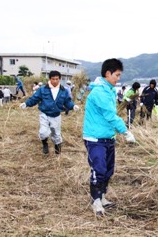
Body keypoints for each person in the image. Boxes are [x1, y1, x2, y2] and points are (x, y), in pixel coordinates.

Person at [82, 58, 136, 215]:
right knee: (98, 169)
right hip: (95, 138)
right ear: (107, 73)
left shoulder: (109, 90)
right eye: (117, 75)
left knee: (108, 170)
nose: (118, 79)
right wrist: (125, 131)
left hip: (108, 137)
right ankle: (96, 201)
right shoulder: (100, 92)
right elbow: (111, 116)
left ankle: (103, 197)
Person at [19, 71, 79, 155]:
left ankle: (58, 152)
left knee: (56, 134)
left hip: (56, 115)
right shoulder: (43, 89)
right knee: (43, 132)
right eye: (53, 79)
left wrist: (73, 106)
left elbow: (67, 101)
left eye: (57, 79)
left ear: (59, 79)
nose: (55, 81)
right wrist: (26, 103)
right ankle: (45, 144)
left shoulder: (63, 91)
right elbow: (34, 98)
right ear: (50, 79)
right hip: (44, 114)